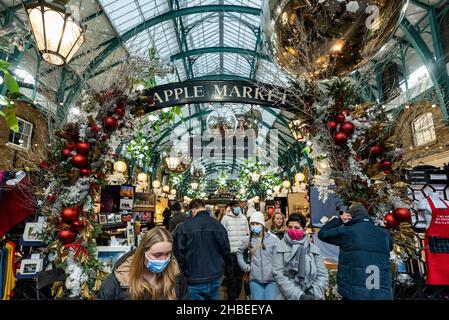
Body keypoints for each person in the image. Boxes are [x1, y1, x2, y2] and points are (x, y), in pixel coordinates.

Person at [318, 204, 393, 300]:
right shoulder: (384, 234)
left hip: (355, 292)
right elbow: (389, 247)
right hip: (381, 290)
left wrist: (340, 220)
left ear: (351, 217)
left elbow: (323, 233)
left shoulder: (348, 231)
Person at [97, 227, 188, 300]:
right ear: (142, 253)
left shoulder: (176, 274)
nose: (163, 259)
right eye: (157, 255)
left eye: (168, 253)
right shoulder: (118, 279)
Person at [174, 199, 231, 300]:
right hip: (215, 276)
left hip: (194, 278)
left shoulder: (184, 227)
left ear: (193, 211)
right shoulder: (218, 226)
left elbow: (179, 254)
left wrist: (185, 272)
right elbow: (226, 250)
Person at [273, 213, 328, 300]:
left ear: (304, 229)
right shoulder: (280, 247)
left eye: (297, 228)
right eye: (290, 227)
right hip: (288, 296)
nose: (293, 230)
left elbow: (322, 275)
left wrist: (312, 292)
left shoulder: (313, 249)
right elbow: (279, 275)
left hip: (312, 296)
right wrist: (299, 295)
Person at [237, 211, 280, 300]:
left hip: (272, 280)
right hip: (254, 279)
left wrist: (276, 271)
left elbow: (280, 257)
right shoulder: (248, 240)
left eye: (257, 223)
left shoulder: (274, 239)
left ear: (262, 224)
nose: (254, 226)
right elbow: (239, 252)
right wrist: (245, 267)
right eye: (252, 224)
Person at [221, 200, 249, 300]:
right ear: (231, 207)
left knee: (239, 276)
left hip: (242, 253)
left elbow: (247, 233)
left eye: (238, 206)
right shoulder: (225, 219)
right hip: (230, 253)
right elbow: (222, 235)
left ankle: (237, 294)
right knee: (231, 277)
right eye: (235, 206)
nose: (238, 207)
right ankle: (232, 297)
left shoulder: (244, 218)